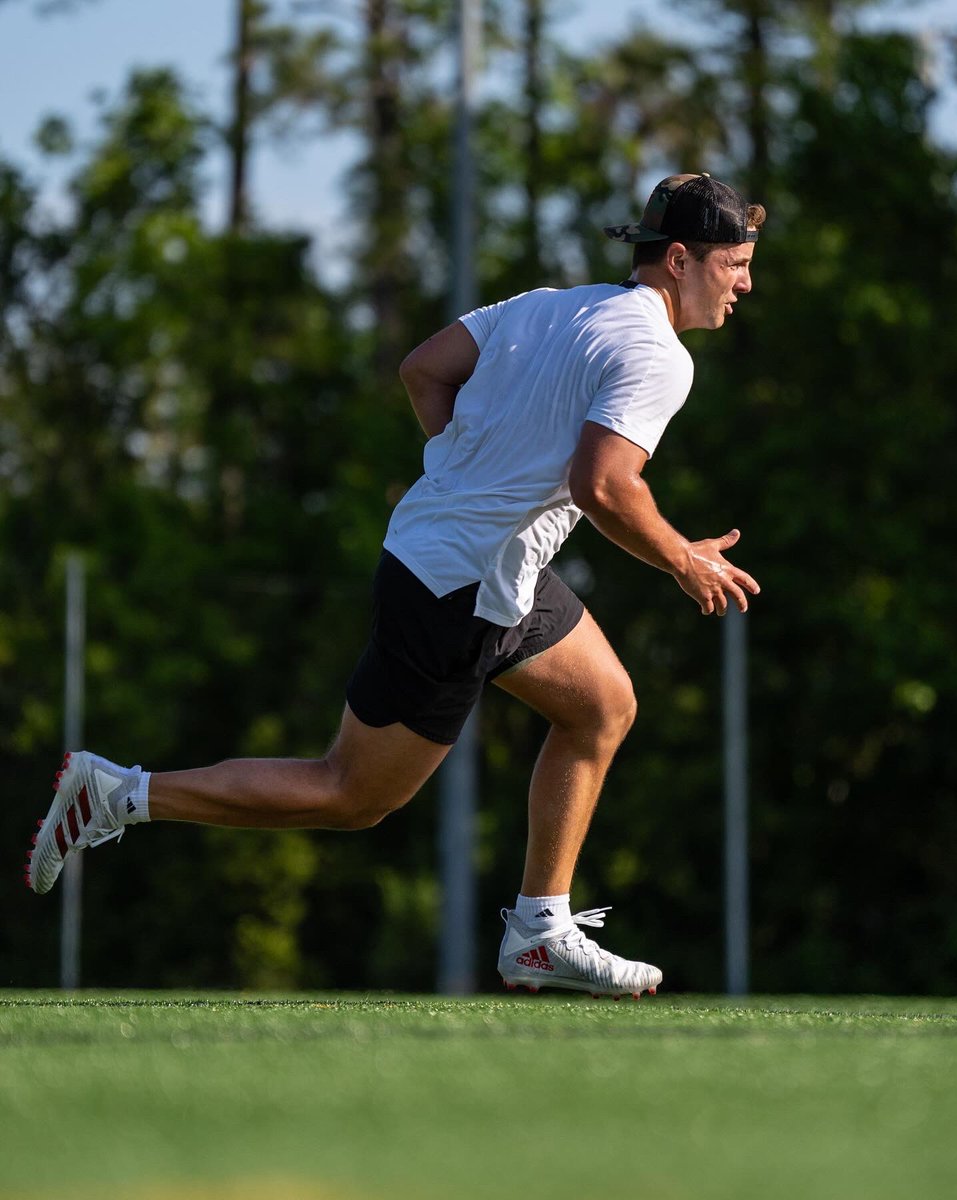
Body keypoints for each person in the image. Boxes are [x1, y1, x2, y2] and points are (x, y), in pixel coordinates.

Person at [26, 172, 763, 1000]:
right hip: (459, 590)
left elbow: (424, 369)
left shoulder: (546, 305)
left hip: (475, 563)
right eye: (733, 263)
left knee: (603, 705)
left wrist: (469, 478)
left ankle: (538, 932)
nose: (744, 282)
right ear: (677, 260)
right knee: (350, 794)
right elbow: (606, 487)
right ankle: (120, 795)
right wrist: (682, 559)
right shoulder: (660, 356)